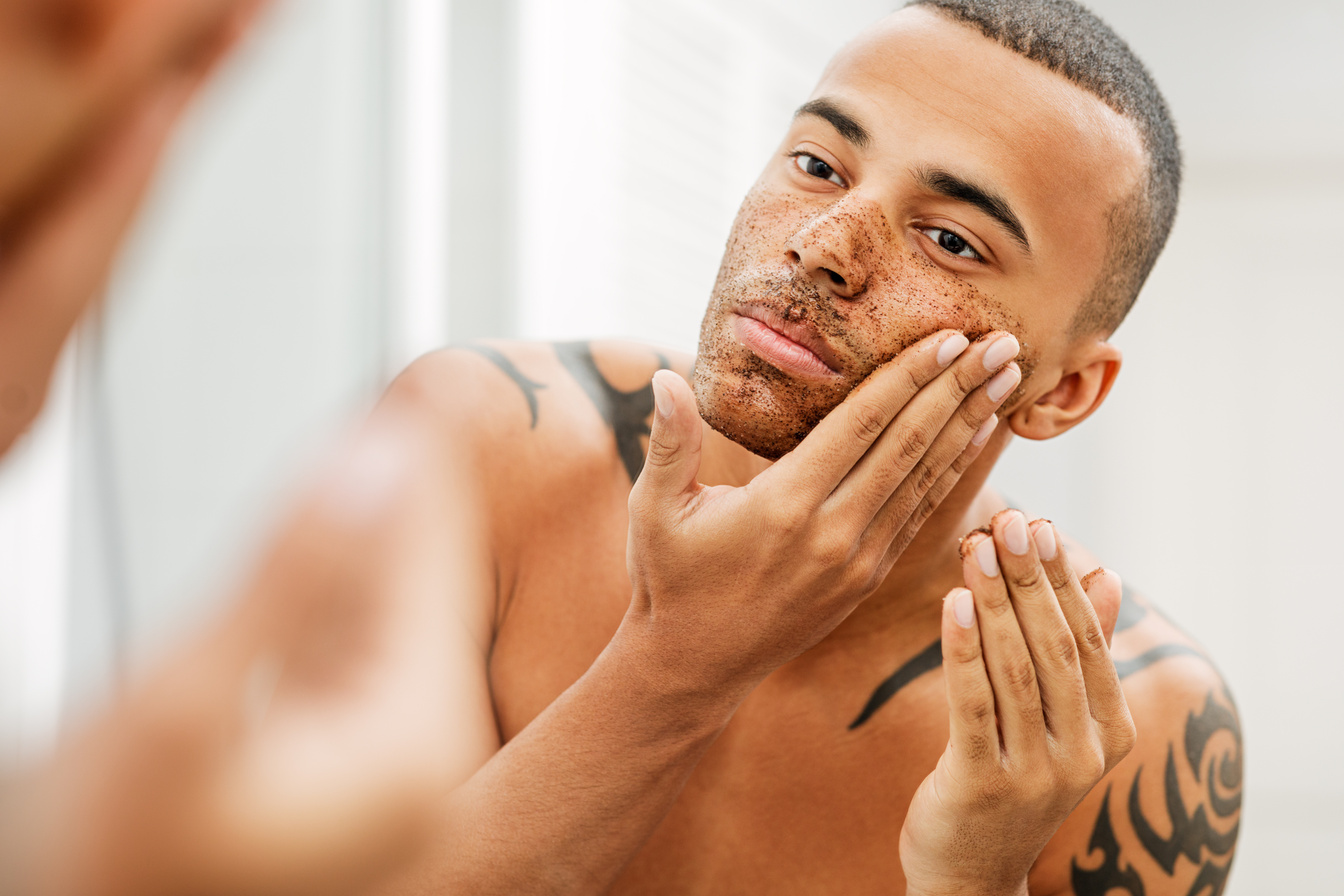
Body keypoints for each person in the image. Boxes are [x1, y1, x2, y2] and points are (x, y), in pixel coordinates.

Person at [363, 1, 1241, 894]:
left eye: (949, 240)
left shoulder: (1134, 724)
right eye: (819, 165)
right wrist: (679, 662)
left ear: (1061, 390)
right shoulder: (474, 447)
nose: (821, 245)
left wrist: (973, 882)